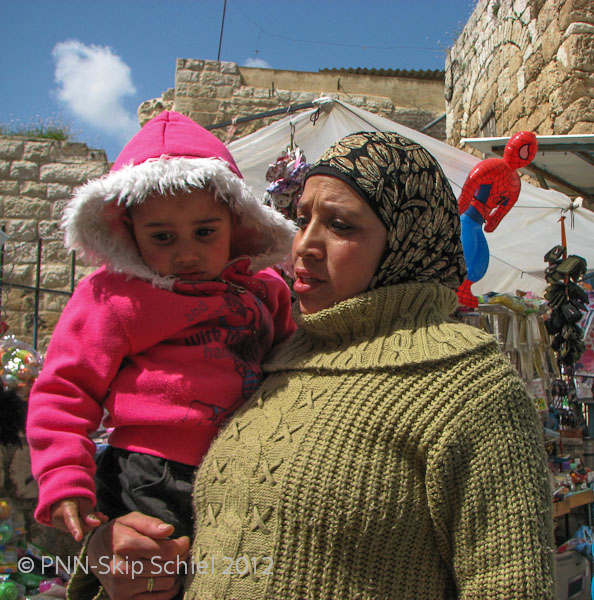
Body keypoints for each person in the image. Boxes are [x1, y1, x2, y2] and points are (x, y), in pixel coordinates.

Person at [68, 131, 555, 599]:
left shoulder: (469, 386)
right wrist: (108, 554)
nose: (303, 246)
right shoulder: (274, 353)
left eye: (340, 225)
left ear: (408, 237)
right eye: (302, 220)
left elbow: (510, 584)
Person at [26, 111, 296, 544]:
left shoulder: (265, 289)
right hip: (151, 474)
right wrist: (63, 476)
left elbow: (292, 364)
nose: (186, 254)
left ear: (237, 223)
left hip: (251, 465)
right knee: (157, 580)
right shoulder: (114, 297)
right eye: (163, 238)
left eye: (205, 232)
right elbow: (66, 389)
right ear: (129, 233)